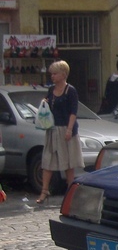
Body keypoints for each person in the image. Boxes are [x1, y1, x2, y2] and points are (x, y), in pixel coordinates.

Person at [37, 60, 84, 204]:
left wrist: (69, 130)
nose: (52, 76)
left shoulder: (71, 91)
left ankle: (70, 191)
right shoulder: (51, 90)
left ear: (63, 75)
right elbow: (49, 105)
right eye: (51, 74)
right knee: (48, 160)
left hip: (66, 128)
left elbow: (73, 112)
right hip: (52, 129)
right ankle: (44, 191)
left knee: (68, 162)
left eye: (55, 73)